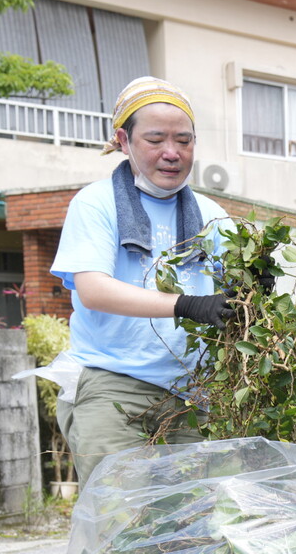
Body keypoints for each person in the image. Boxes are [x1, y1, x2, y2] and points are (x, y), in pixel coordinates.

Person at [51, 76, 233, 484]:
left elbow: (233, 294)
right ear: (123, 140)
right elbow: (94, 290)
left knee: (189, 517)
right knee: (121, 514)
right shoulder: (95, 203)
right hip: (112, 386)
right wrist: (185, 304)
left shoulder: (212, 215)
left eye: (184, 141)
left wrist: (255, 289)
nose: (172, 153)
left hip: (192, 395)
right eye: (155, 140)